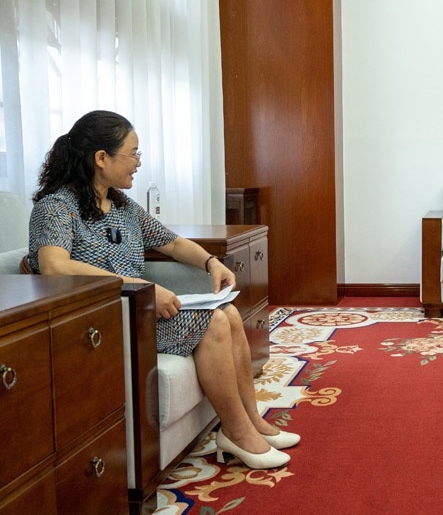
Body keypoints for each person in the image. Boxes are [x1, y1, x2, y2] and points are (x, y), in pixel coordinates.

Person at [28, 110, 298, 470]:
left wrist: (210, 262)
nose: (138, 162)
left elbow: (171, 242)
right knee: (215, 322)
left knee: (230, 313)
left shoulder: (122, 206)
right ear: (102, 158)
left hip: (136, 308)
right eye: (133, 153)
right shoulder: (57, 207)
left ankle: (252, 422)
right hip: (97, 320)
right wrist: (138, 286)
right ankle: (235, 433)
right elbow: (54, 265)